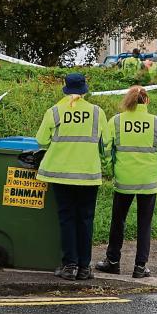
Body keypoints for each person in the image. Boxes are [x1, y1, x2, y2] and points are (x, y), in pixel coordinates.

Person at [35, 73, 111, 281]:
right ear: (85, 90)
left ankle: (69, 266)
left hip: (61, 176)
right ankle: (84, 268)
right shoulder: (97, 112)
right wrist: (106, 165)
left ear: (65, 89)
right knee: (85, 220)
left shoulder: (55, 112)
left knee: (67, 219)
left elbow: (41, 141)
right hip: (88, 176)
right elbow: (106, 146)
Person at [95, 86, 157, 279]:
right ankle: (140, 267)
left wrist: (110, 166)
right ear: (146, 101)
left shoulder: (116, 121)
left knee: (118, 221)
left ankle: (113, 261)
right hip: (148, 181)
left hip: (124, 180)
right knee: (144, 224)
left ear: (128, 101)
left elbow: (104, 148)